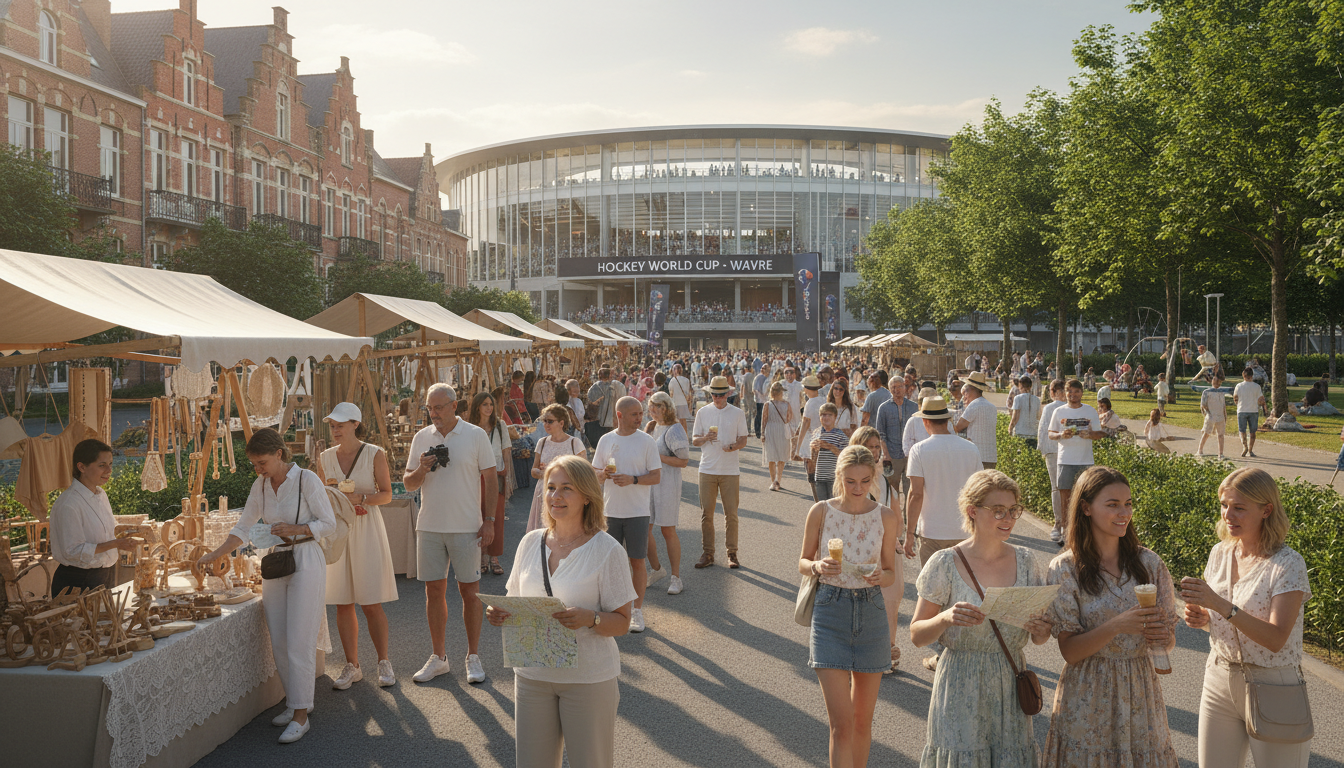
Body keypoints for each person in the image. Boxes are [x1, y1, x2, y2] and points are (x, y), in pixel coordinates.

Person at [488, 455, 635, 768]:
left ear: (586, 496)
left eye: (567, 488)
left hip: (587, 678)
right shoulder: (530, 542)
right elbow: (514, 599)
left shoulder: (607, 550)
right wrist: (498, 612)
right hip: (532, 675)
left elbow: (623, 622)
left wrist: (591, 618)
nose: (555, 495)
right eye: (551, 487)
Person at [197, 428, 337, 743]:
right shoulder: (260, 485)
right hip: (276, 561)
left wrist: (297, 529)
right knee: (280, 640)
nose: (258, 469)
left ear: (279, 454)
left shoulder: (307, 480)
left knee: (300, 640)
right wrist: (216, 553)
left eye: (262, 462)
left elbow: (329, 524)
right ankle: (296, 702)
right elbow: (243, 526)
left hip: (306, 560)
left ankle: (301, 716)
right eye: (254, 464)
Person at [910, 470, 1052, 766]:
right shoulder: (945, 563)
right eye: (998, 510)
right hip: (959, 681)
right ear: (972, 511)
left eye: (1013, 510)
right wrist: (945, 618)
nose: (1008, 519)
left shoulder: (1026, 561)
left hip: (1009, 679)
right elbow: (917, 635)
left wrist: (1041, 630)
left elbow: (1039, 638)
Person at [1043, 466, 1179, 766]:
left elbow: (1168, 642)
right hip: (1087, 693)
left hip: (1140, 692)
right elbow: (1070, 651)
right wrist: (1117, 625)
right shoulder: (1065, 568)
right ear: (1086, 508)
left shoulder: (1150, 563)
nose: (1124, 513)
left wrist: (1163, 638)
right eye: (1113, 504)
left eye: (1128, 503)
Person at [1179, 467, 1312, 766]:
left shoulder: (1288, 564)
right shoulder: (1220, 553)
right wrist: (1205, 618)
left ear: (1266, 510)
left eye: (1239, 507)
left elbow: (1276, 638)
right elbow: (1223, 616)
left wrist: (1219, 605)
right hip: (1219, 677)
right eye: (1224, 505)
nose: (1228, 515)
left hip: (1274, 684)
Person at [798, 446, 900, 768]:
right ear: (839, 477)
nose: (858, 488)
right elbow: (803, 561)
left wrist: (880, 576)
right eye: (851, 481)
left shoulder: (885, 516)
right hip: (830, 612)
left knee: (861, 724)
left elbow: (890, 573)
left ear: (873, 478)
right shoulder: (821, 511)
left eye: (865, 481)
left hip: (871, 613)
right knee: (841, 726)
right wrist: (817, 566)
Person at [404, 383, 498, 686]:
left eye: (439, 407)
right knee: (433, 592)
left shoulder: (475, 434)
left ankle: (473, 656)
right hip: (430, 525)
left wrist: (489, 520)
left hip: (466, 526)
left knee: (470, 592)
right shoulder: (421, 437)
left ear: (454, 406)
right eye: (430, 408)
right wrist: (421, 469)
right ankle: (439, 657)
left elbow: (491, 479)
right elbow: (408, 484)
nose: (433, 413)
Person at [316, 403, 399, 690]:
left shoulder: (375, 453)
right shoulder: (325, 457)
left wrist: (362, 499)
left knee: (371, 602)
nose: (335, 430)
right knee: (343, 601)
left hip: (366, 529)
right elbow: (320, 497)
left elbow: (387, 494)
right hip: (338, 531)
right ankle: (352, 665)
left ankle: (383, 661)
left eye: (340, 424)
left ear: (355, 424)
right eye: (332, 425)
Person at [591, 397, 661, 633]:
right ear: (619, 415)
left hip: (638, 512)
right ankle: (611, 609)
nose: (640, 418)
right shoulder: (606, 440)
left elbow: (656, 476)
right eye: (634, 414)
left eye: (641, 413)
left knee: (637, 561)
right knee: (608, 563)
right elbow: (594, 472)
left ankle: (636, 611)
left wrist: (633, 479)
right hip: (610, 511)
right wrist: (602, 475)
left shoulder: (647, 441)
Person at [49, 439, 139, 596]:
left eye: (110, 464)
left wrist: (122, 540)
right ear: (82, 467)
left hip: (102, 576)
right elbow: (73, 551)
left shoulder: (101, 495)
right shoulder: (68, 503)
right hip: (77, 582)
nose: (109, 470)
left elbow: (104, 534)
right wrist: (116, 543)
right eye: (102, 465)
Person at [851, 427, 904, 671]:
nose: (874, 452)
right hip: (862, 550)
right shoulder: (851, 479)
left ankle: (888, 651)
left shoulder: (883, 477)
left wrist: (897, 538)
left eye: (876, 447)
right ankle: (859, 654)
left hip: (888, 549)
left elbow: (896, 515)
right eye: (868, 447)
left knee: (891, 602)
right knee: (862, 603)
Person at [693, 376, 750, 569]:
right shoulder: (702, 412)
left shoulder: (737, 413)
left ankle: (732, 553)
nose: (717, 398)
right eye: (714, 395)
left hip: (730, 471)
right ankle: (708, 553)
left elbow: (743, 439)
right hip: (707, 469)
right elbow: (694, 440)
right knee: (706, 514)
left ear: (728, 394)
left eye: (721, 395)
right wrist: (705, 438)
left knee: (731, 514)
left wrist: (732, 447)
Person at [644, 392, 689, 596]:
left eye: (658, 406)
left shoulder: (675, 429)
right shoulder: (651, 426)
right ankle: (656, 569)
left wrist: (657, 457)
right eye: (651, 406)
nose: (653, 410)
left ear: (667, 408)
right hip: (649, 483)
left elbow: (683, 461)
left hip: (668, 483)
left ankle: (676, 577)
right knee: (643, 529)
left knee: (667, 530)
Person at [1047, 379, 1103, 534]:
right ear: (1065, 393)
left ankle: (1084, 532)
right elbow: (1050, 433)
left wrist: (1090, 434)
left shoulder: (1090, 411)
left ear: (1081, 393)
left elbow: (1100, 433)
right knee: (1065, 497)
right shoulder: (1059, 411)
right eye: (1069, 391)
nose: (1073, 394)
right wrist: (1061, 435)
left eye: (1076, 391)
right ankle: (1066, 532)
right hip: (1065, 460)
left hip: (1085, 461)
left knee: (1086, 497)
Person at [473, 391, 517, 577]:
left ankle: (494, 557)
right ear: (477, 407)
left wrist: (508, 475)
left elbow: (506, 450)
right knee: (478, 516)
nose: (489, 408)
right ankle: (482, 555)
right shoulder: (471, 427)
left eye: (491, 404)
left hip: (497, 473)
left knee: (496, 517)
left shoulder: (500, 425)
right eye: (485, 404)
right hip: (475, 476)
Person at [528, 404, 588, 533]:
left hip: (567, 493)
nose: (546, 424)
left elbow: (584, 472)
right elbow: (533, 470)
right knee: (544, 532)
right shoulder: (542, 442)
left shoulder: (574, 443)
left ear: (561, 423)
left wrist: (556, 473)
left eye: (550, 421)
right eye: (544, 421)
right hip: (544, 491)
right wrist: (542, 473)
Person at [872, 377, 919, 506]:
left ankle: (909, 517)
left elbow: (917, 430)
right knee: (892, 491)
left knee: (911, 490)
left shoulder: (914, 407)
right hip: (892, 455)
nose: (897, 390)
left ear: (904, 388)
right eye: (893, 387)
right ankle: (894, 515)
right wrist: (886, 454)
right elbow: (881, 433)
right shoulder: (884, 408)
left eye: (899, 386)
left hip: (910, 455)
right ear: (890, 389)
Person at [954, 372, 998, 469]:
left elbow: (957, 427)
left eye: (965, 393)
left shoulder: (974, 405)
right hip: (991, 456)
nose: (964, 396)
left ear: (970, 390)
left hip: (976, 457)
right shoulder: (992, 407)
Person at [809, 403, 849, 502]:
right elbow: (813, 456)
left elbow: (846, 456)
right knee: (822, 505)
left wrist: (829, 447)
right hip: (819, 476)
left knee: (834, 504)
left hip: (834, 478)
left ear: (835, 417)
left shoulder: (840, 435)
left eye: (829, 415)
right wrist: (813, 450)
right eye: (823, 415)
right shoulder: (816, 433)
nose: (826, 417)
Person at [762, 380, 794, 491]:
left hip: (770, 429)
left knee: (772, 457)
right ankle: (777, 480)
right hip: (782, 430)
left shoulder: (768, 404)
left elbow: (764, 420)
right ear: (780, 392)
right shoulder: (786, 404)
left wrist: (762, 433)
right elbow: (789, 418)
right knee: (781, 457)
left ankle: (774, 482)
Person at [1233, 367, 1266, 458]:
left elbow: (1235, 398)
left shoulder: (1239, 386)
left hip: (1242, 410)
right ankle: (1250, 450)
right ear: (1252, 376)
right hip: (1253, 410)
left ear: (1243, 375)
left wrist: (1238, 404)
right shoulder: (1257, 386)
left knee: (1242, 430)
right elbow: (1261, 399)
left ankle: (1245, 447)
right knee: (1252, 432)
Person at [585, 368, 619, 449]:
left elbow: (591, 400)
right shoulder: (613, 387)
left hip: (598, 417)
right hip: (609, 417)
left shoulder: (595, 386)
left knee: (599, 440)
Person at [1198, 375, 1228, 459]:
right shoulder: (1206, 392)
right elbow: (1203, 405)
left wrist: (1225, 416)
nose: (1217, 383)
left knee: (1221, 435)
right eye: (1215, 381)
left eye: (1218, 382)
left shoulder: (1221, 392)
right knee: (1206, 433)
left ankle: (1220, 453)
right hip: (1211, 416)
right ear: (1212, 382)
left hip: (1220, 416)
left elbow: (1223, 405)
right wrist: (1208, 414)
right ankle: (1200, 450)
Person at [1007, 375, 1039, 449]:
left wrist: (1010, 427)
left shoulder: (1018, 398)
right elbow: (1038, 416)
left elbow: (1015, 416)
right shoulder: (1036, 399)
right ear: (1030, 386)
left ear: (1020, 386)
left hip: (1020, 432)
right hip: (1033, 433)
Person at [667, 363, 694, 435]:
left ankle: (678, 436)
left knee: (676, 422)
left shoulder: (672, 381)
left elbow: (671, 394)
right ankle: (685, 436)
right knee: (683, 421)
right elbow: (688, 393)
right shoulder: (686, 380)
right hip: (683, 403)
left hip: (675, 402)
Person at [751, 365, 770, 438]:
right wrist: (760, 396)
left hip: (762, 399)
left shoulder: (764, 377)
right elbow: (756, 389)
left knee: (761, 415)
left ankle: (760, 431)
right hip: (760, 400)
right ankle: (758, 431)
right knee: (759, 415)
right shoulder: (759, 377)